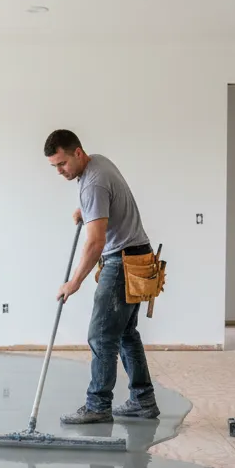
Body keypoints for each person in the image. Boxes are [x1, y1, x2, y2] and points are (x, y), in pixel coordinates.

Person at [44, 129, 160, 424]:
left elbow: (95, 243)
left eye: (62, 164)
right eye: (54, 166)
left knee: (100, 335)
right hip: (138, 255)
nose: (59, 171)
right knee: (125, 334)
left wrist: (74, 282)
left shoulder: (91, 184)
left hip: (121, 263)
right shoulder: (99, 164)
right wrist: (86, 210)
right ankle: (142, 401)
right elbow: (108, 200)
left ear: (78, 153)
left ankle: (97, 405)